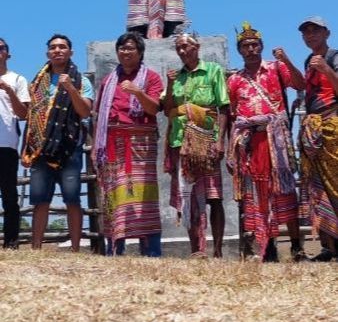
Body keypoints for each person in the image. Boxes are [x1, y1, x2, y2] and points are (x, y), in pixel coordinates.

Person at [227, 22, 306, 262]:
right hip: (251, 143)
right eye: (245, 46)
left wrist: (287, 59)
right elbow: (233, 115)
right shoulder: (235, 81)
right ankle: (268, 246)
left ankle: (296, 246)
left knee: (284, 190)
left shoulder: (276, 68)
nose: (250, 49)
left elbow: (300, 84)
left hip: (276, 142)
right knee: (257, 194)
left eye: (254, 45)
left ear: (261, 46)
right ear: (240, 51)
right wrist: (232, 150)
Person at [93, 32, 163, 257]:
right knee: (113, 195)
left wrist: (137, 92)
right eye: (122, 48)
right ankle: (115, 250)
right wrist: (97, 147)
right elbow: (99, 116)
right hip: (112, 142)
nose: (125, 52)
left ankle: (151, 251)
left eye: (130, 48)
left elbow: (153, 109)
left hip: (141, 144)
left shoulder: (151, 78)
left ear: (140, 52)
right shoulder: (108, 81)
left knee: (144, 196)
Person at [22, 34, 93, 251]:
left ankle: (75, 249)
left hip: (68, 148)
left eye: (62, 47)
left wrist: (71, 88)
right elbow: (30, 115)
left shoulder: (82, 81)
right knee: (40, 201)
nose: (57, 50)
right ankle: (36, 248)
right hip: (40, 149)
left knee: (72, 199)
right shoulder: (36, 83)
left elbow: (85, 111)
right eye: (53, 47)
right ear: (47, 53)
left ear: (71, 52)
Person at [163, 33, 229, 258]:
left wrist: (220, 140)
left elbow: (223, 108)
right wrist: (170, 84)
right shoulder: (176, 76)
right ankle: (197, 250)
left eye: (185, 47)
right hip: (181, 141)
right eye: (178, 48)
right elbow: (167, 109)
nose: (182, 51)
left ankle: (218, 249)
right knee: (188, 196)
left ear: (196, 47)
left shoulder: (213, 70)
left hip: (206, 138)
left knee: (214, 196)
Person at [298, 16, 338, 261]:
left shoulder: (334, 57)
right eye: (306, 32)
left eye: (315, 31)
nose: (310, 36)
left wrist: (327, 70)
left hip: (332, 124)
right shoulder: (307, 61)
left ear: (327, 33)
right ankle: (330, 247)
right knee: (318, 188)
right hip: (314, 129)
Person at [0, 38, 30, 249]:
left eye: (0, 48)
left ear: (8, 54)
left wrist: (9, 91)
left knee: (9, 195)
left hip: (6, 144)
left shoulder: (17, 79)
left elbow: (24, 114)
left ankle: (11, 242)